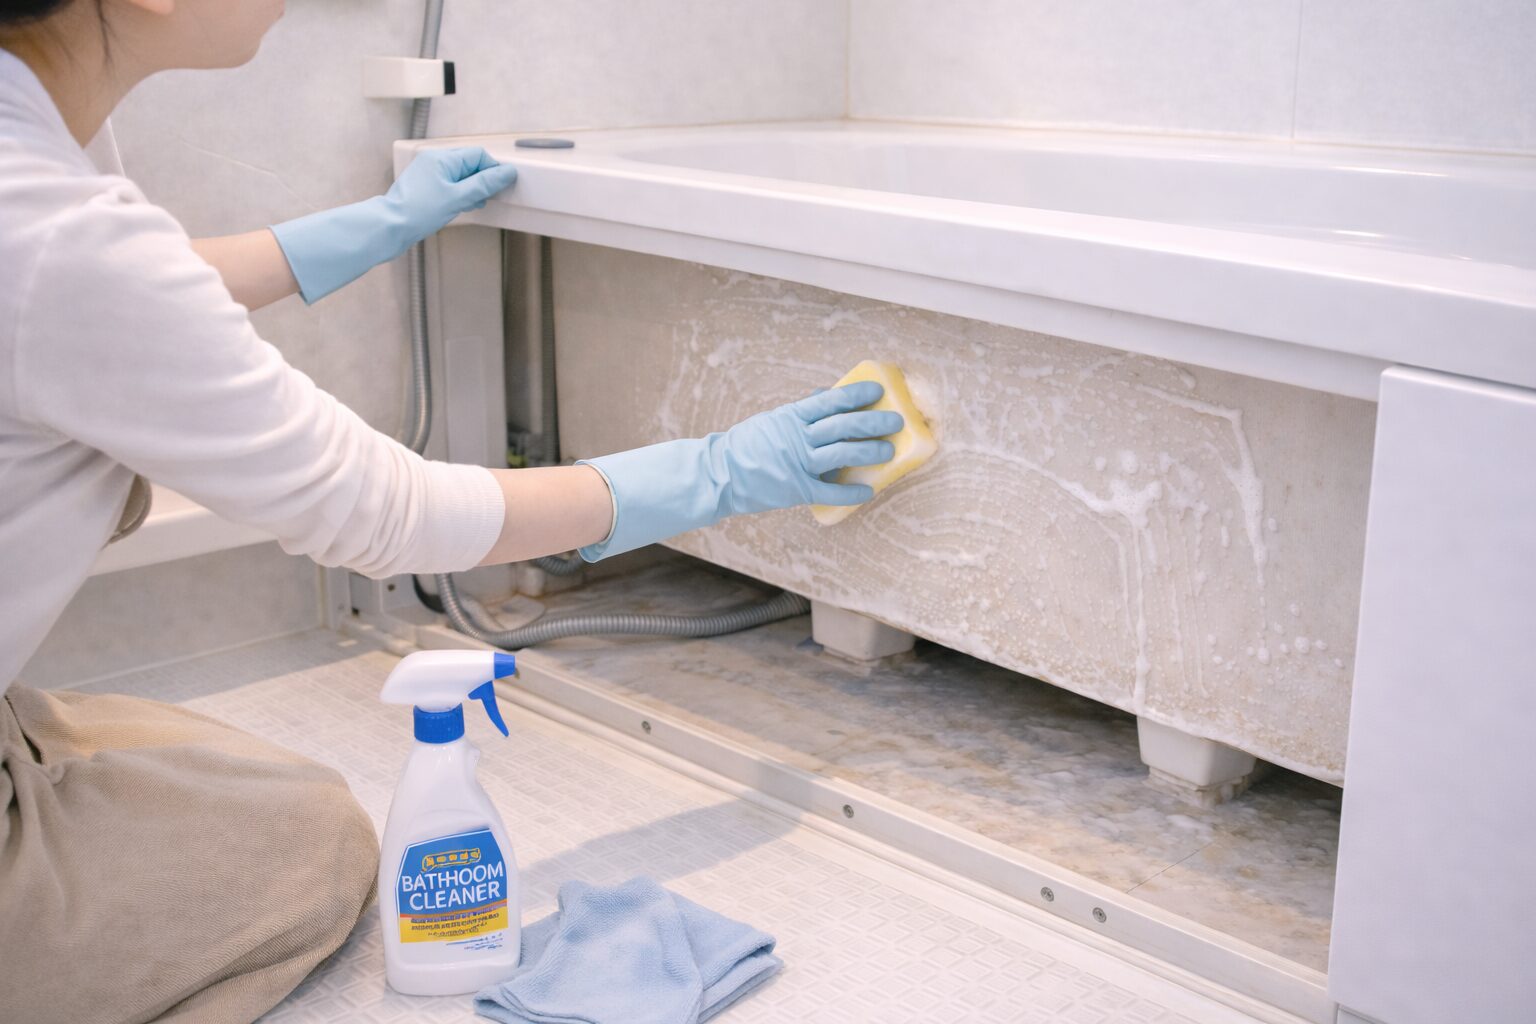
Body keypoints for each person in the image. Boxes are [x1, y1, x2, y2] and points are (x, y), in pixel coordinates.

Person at [0, 1, 903, 1020]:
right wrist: (718, 473)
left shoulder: (37, 146)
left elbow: (123, 295)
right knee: (313, 845)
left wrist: (371, 226)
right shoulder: (50, 225)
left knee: (238, 778)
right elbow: (386, 510)